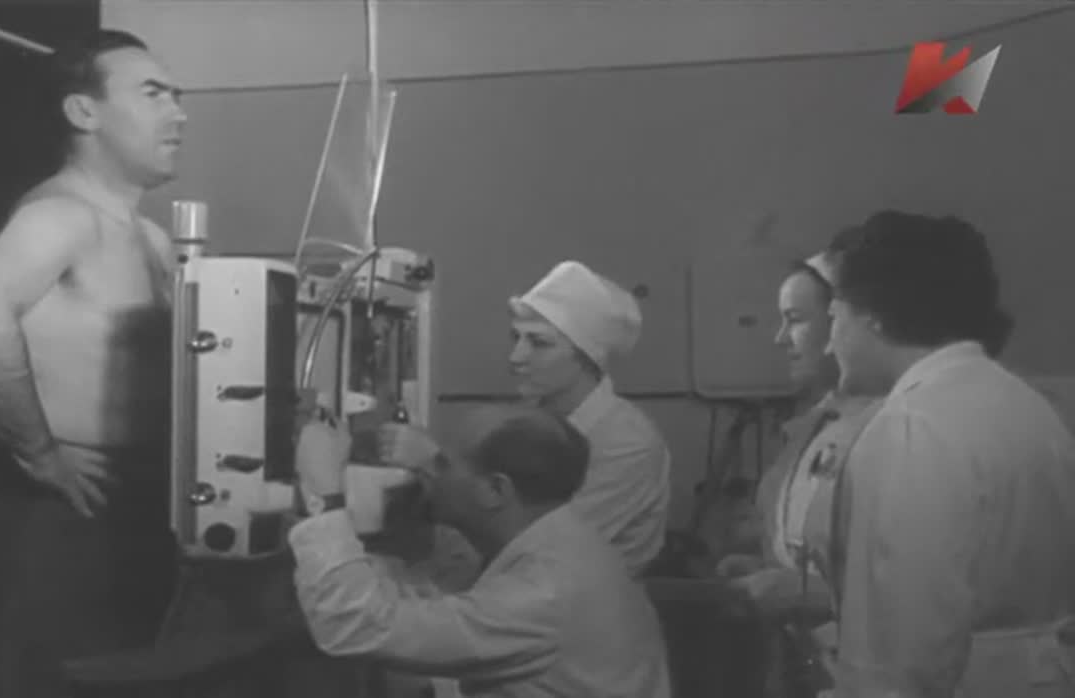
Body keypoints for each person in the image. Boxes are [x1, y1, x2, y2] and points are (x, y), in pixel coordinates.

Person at [0, 30, 187, 698]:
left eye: (177, 96)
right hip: (56, 509)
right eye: (154, 94)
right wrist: (39, 452)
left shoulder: (152, 237)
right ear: (83, 111)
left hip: (129, 507)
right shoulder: (62, 216)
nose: (178, 114)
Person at [824, 211, 1075, 698]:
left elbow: (900, 652)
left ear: (873, 316)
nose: (829, 343)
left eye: (835, 316)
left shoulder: (911, 426)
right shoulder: (1027, 405)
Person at [290, 403, 674, 697]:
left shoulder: (545, 590)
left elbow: (353, 626)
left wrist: (324, 495)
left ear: (495, 490)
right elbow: (459, 615)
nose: (428, 472)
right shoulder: (565, 538)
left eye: (443, 464)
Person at [382, 260, 671, 582]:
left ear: (587, 357)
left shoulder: (627, 445)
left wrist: (435, 464)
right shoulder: (534, 416)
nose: (516, 357)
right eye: (516, 338)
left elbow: (534, 545)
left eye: (539, 343)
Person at [714, 253, 882, 698]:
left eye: (795, 320)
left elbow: (925, 581)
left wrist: (816, 595)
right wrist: (769, 568)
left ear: (843, 322)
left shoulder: (896, 428)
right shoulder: (814, 426)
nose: (780, 338)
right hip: (808, 666)